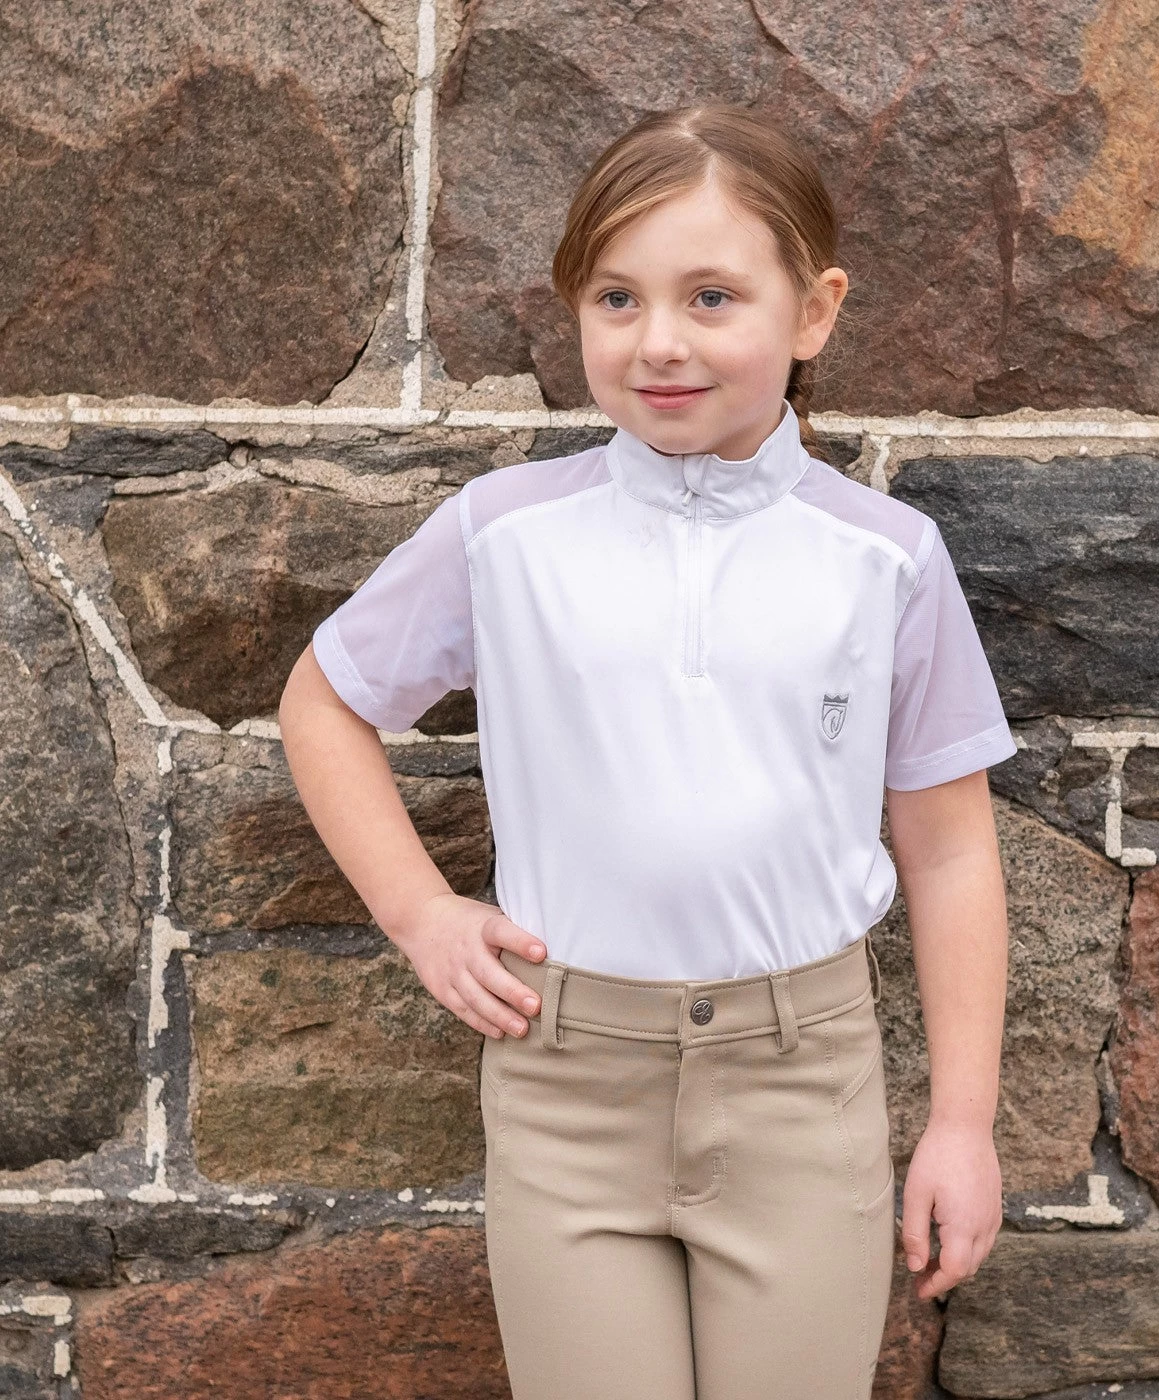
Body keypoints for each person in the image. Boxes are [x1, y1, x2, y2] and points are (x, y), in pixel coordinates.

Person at [279, 102, 1017, 1400]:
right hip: (566, 1091)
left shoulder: (886, 561)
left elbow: (952, 854)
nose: (659, 341)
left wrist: (962, 1124)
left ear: (814, 312)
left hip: (802, 1092)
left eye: (711, 297)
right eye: (616, 298)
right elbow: (324, 703)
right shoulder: (505, 535)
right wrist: (420, 914)